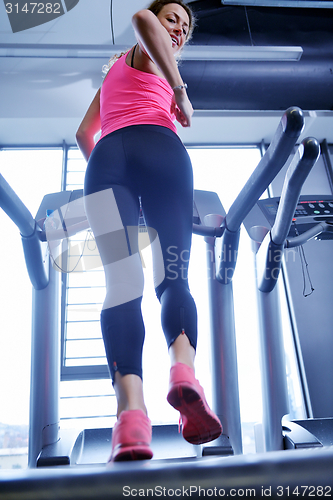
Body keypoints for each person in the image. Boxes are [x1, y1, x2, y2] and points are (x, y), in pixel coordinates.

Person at [76, 0, 222, 463]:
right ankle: (184, 373)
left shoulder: (114, 74)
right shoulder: (150, 56)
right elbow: (140, 19)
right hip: (161, 151)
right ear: (159, 23)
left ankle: (132, 419)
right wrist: (180, 91)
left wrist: (114, 188)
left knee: (122, 285)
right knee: (173, 277)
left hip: (106, 162)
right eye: (172, 19)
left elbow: (85, 134)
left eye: (184, 25)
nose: (177, 29)